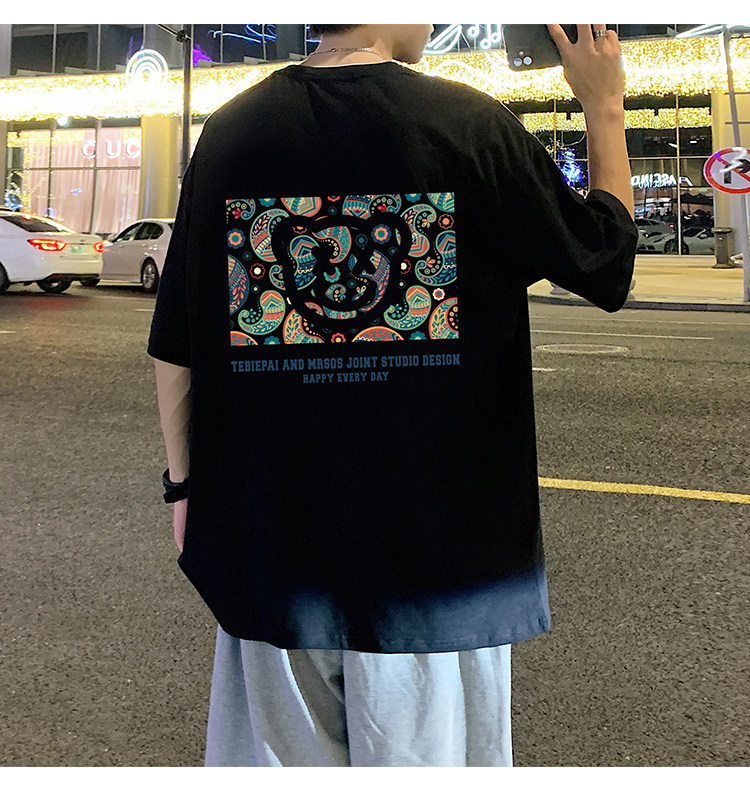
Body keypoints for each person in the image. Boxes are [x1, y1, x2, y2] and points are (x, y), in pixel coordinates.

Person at [147, 23, 637, 767]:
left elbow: (177, 342)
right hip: (437, 568)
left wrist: (184, 489)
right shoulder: (469, 126)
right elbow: (605, 259)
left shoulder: (232, 130)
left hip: (274, 554)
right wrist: (603, 107)